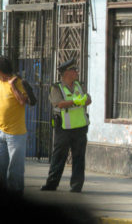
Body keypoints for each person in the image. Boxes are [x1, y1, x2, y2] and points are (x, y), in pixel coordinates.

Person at [41, 59, 91, 192]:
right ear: (66, 73)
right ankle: (51, 184)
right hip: (63, 128)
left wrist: (82, 101)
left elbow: (88, 99)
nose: (77, 72)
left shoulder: (79, 85)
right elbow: (59, 103)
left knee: (79, 159)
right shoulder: (56, 88)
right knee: (59, 157)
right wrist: (75, 101)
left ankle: (76, 186)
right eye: (74, 70)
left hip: (80, 128)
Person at [0, 56, 28, 195]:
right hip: (1, 132)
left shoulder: (18, 83)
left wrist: (12, 86)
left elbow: (23, 101)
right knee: (1, 167)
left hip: (16, 134)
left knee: (15, 169)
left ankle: (16, 195)